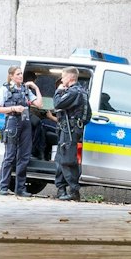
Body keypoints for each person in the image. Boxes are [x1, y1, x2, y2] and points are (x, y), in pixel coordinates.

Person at [0, 64, 39, 196]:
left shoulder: (25, 89)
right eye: (18, 74)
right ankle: (3, 187)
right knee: (10, 156)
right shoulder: (5, 89)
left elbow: (39, 104)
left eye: (21, 73)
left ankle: (20, 189)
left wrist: (35, 87)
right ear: (11, 76)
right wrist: (13, 108)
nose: (20, 76)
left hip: (25, 122)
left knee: (24, 157)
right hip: (12, 122)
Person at [48, 66, 90, 201]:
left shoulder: (73, 92)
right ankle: (61, 190)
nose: (61, 80)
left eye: (63, 76)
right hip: (69, 129)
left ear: (70, 77)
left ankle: (73, 191)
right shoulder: (82, 91)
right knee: (60, 159)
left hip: (69, 131)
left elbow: (57, 103)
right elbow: (88, 115)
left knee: (67, 160)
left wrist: (58, 91)